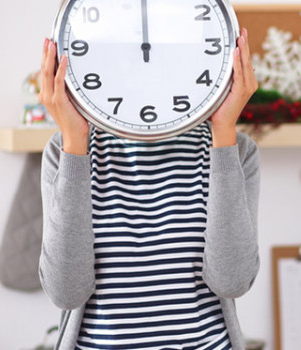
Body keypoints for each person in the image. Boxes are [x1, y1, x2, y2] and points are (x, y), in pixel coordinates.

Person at [37, 27, 260, 350]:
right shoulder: (65, 151)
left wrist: (223, 131)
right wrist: (74, 141)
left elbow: (232, 281)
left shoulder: (235, 150)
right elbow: (65, 291)